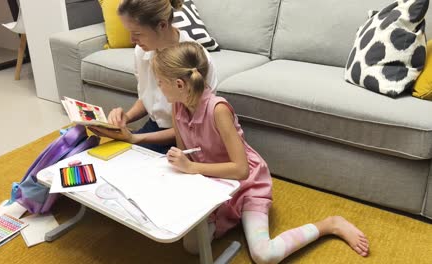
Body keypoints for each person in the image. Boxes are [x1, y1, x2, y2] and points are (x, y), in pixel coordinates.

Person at [151, 41, 370, 263]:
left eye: (160, 83)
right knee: (192, 246)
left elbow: (241, 169)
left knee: (264, 255)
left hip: (247, 186)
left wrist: (191, 167)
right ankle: (230, 216)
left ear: (179, 84)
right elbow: (186, 153)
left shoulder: (218, 110)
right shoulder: (177, 106)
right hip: (214, 185)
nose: (158, 87)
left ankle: (330, 224)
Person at [88, 0, 217, 154]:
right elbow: (147, 98)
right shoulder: (142, 51)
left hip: (187, 139)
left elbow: (194, 128)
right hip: (154, 129)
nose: (132, 40)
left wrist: (134, 139)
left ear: (162, 25)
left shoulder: (196, 60)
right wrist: (125, 118)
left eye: (137, 33)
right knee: (104, 156)